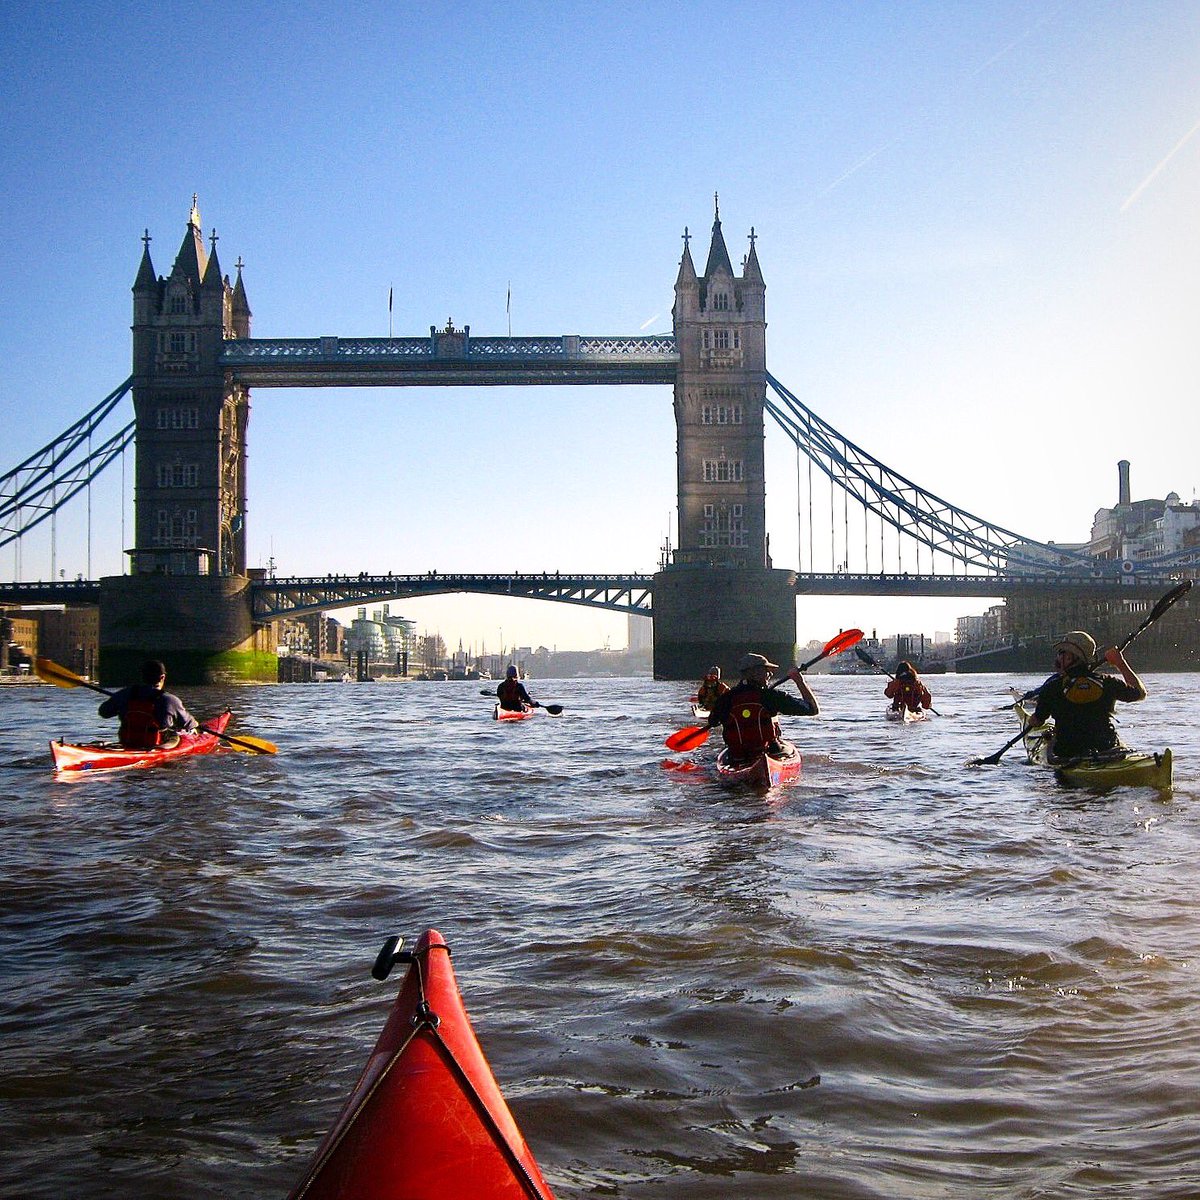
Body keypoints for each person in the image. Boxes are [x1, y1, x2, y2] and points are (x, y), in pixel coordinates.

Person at [1030, 630, 1146, 760]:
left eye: (1061, 653)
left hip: (1067, 754)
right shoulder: (1106, 681)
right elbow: (1140, 693)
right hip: (1107, 750)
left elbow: (1038, 721)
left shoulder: (1052, 687)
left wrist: (1031, 720)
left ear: (1069, 657)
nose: (1057, 657)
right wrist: (1120, 662)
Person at [707, 653, 819, 762]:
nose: (770, 675)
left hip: (737, 756)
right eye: (767, 671)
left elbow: (713, 721)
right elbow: (812, 709)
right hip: (769, 751)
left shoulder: (726, 699)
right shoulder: (771, 696)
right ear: (755, 673)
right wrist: (800, 682)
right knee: (787, 748)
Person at [98, 659, 199, 750]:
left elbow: (104, 712)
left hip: (127, 742)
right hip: (155, 746)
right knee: (178, 733)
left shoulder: (125, 693)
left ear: (142, 676)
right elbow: (188, 723)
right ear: (162, 677)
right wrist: (195, 725)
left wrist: (118, 700)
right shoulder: (170, 700)